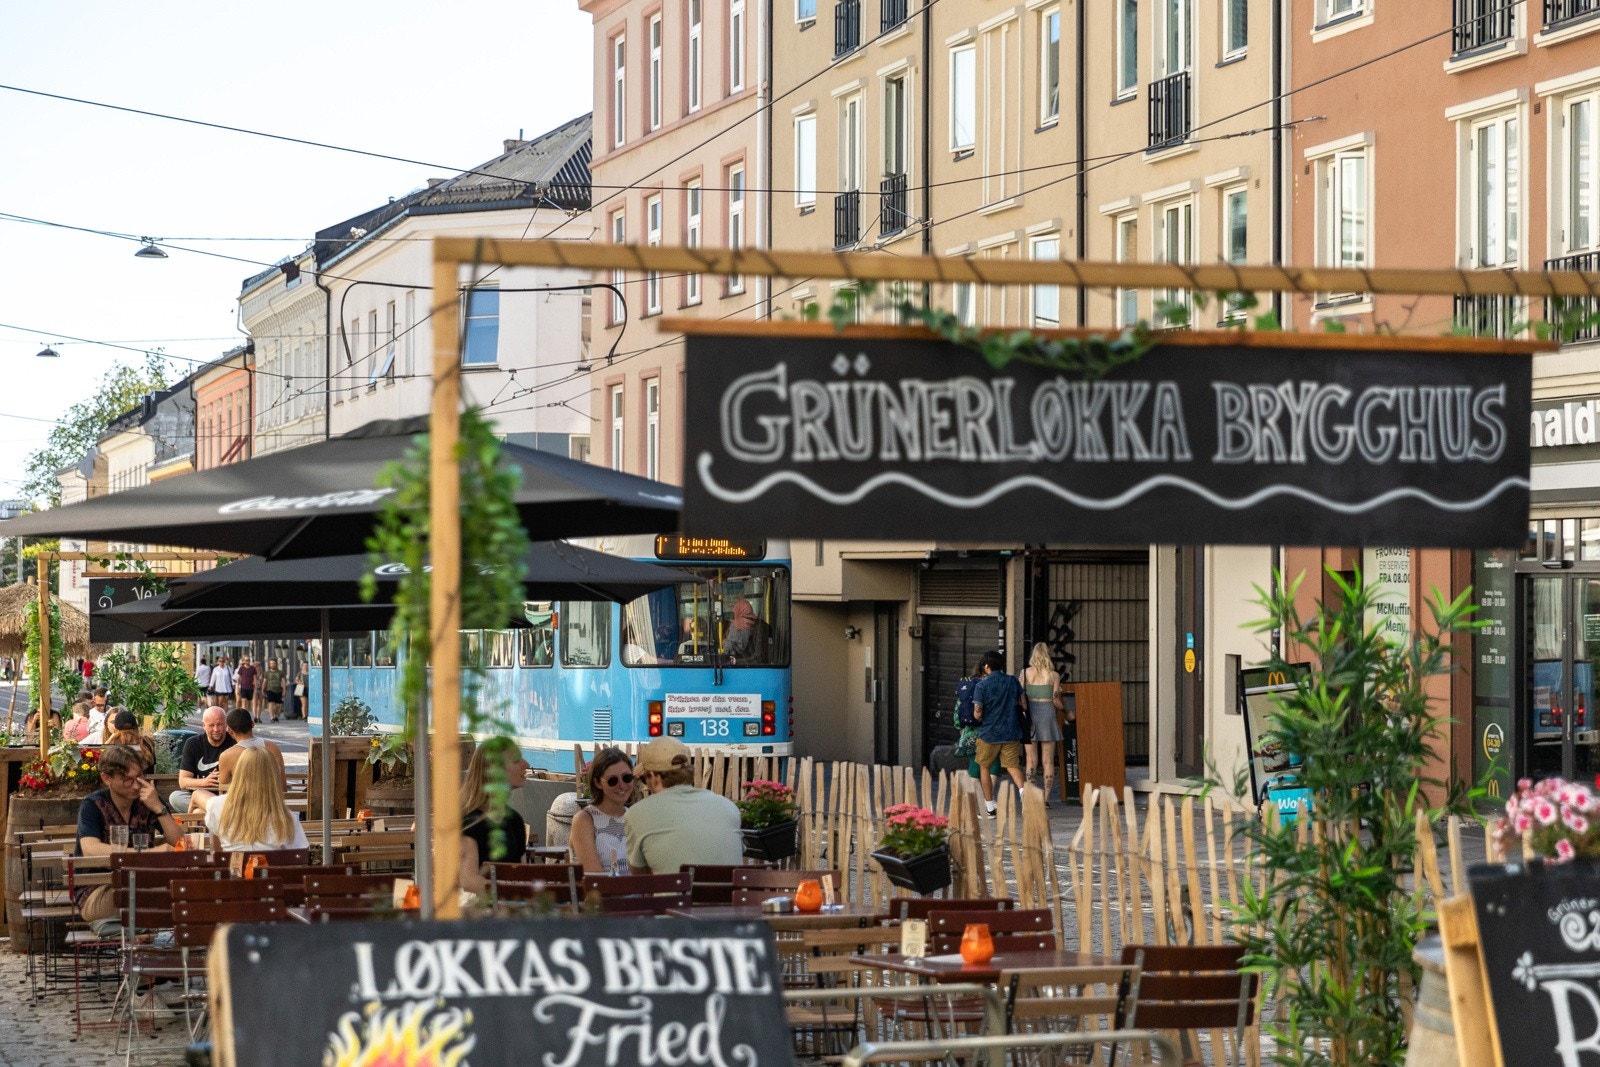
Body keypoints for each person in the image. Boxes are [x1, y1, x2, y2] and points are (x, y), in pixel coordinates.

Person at [74, 745, 182, 923]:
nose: (135, 785)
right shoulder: (93, 805)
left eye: (139, 777)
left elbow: (179, 842)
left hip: (143, 884)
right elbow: (90, 849)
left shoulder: (149, 799)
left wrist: (159, 809)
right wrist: (147, 854)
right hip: (99, 890)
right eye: (127, 780)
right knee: (155, 899)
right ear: (106, 778)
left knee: (182, 894)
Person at [625, 737, 742, 874]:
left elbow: (639, 876)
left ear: (654, 777)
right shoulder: (728, 807)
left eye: (645, 779)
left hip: (677, 895)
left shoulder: (638, 813)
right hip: (728, 895)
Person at [459, 737, 532, 895]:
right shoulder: (470, 822)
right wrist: (511, 893)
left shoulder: (515, 820)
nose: (526, 765)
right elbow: (469, 881)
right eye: (516, 760)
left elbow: (522, 875)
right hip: (480, 914)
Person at [202, 747, 309, 853]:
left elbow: (217, 851)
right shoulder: (286, 818)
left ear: (239, 772)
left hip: (232, 868)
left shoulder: (216, 806)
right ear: (273, 776)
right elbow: (300, 855)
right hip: (269, 869)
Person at [972, 650, 1028, 817]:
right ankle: (1023, 792)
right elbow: (1023, 705)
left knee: (984, 767)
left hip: (989, 733)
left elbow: (978, 713)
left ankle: (990, 807)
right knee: (1012, 766)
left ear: (987, 666)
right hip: (1011, 731)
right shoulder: (1012, 681)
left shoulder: (981, 686)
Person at [570, 747, 636, 874]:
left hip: (637, 891)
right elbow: (594, 875)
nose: (622, 785)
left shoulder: (635, 817)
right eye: (612, 781)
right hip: (603, 892)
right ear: (597, 783)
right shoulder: (585, 819)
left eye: (627, 778)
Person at [1020, 642, 1064, 803]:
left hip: (1030, 715)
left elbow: (1020, 695)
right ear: (1047, 655)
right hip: (1048, 716)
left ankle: (1031, 797)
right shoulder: (1054, 676)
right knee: (1048, 760)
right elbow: (1056, 702)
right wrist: (1065, 709)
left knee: (1031, 760)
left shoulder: (1025, 673)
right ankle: (1046, 798)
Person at [170, 706, 235, 813]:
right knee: (175, 797)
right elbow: (183, 781)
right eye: (211, 725)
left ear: (226, 724)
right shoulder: (193, 744)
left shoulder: (234, 743)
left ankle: (205, 812)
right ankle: (212, 812)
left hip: (226, 799)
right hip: (201, 797)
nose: (216, 729)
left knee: (198, 812)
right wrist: (205, 781)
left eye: (220, 724)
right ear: (203, 725)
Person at [212, 707, 286, 794]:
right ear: (252, 724)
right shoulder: (273, 747)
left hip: (243, 805)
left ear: (230, 730)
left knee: (198, 797)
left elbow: (223, 790)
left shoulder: (227, 755)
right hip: (272, 804)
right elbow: (283, 786)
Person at [723, 598, 759, 662]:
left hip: (737, 660)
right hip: (752, 660)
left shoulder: (736, 625)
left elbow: (730, 646)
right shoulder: (756, 622)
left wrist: (724, 642)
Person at [260, 657, 285, 724]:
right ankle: (272, 717)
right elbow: (265, 681)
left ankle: (275, 715)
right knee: (271, 703)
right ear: (269, 664)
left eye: (274, 663)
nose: (272, 665)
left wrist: (284, 690)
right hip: (270, 689)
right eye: (271, 663)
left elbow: (283, 682)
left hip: (279, 690)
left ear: (276, 664)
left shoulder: (280, 672)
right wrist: (263, 690)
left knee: (278, 705)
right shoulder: (267, 673)